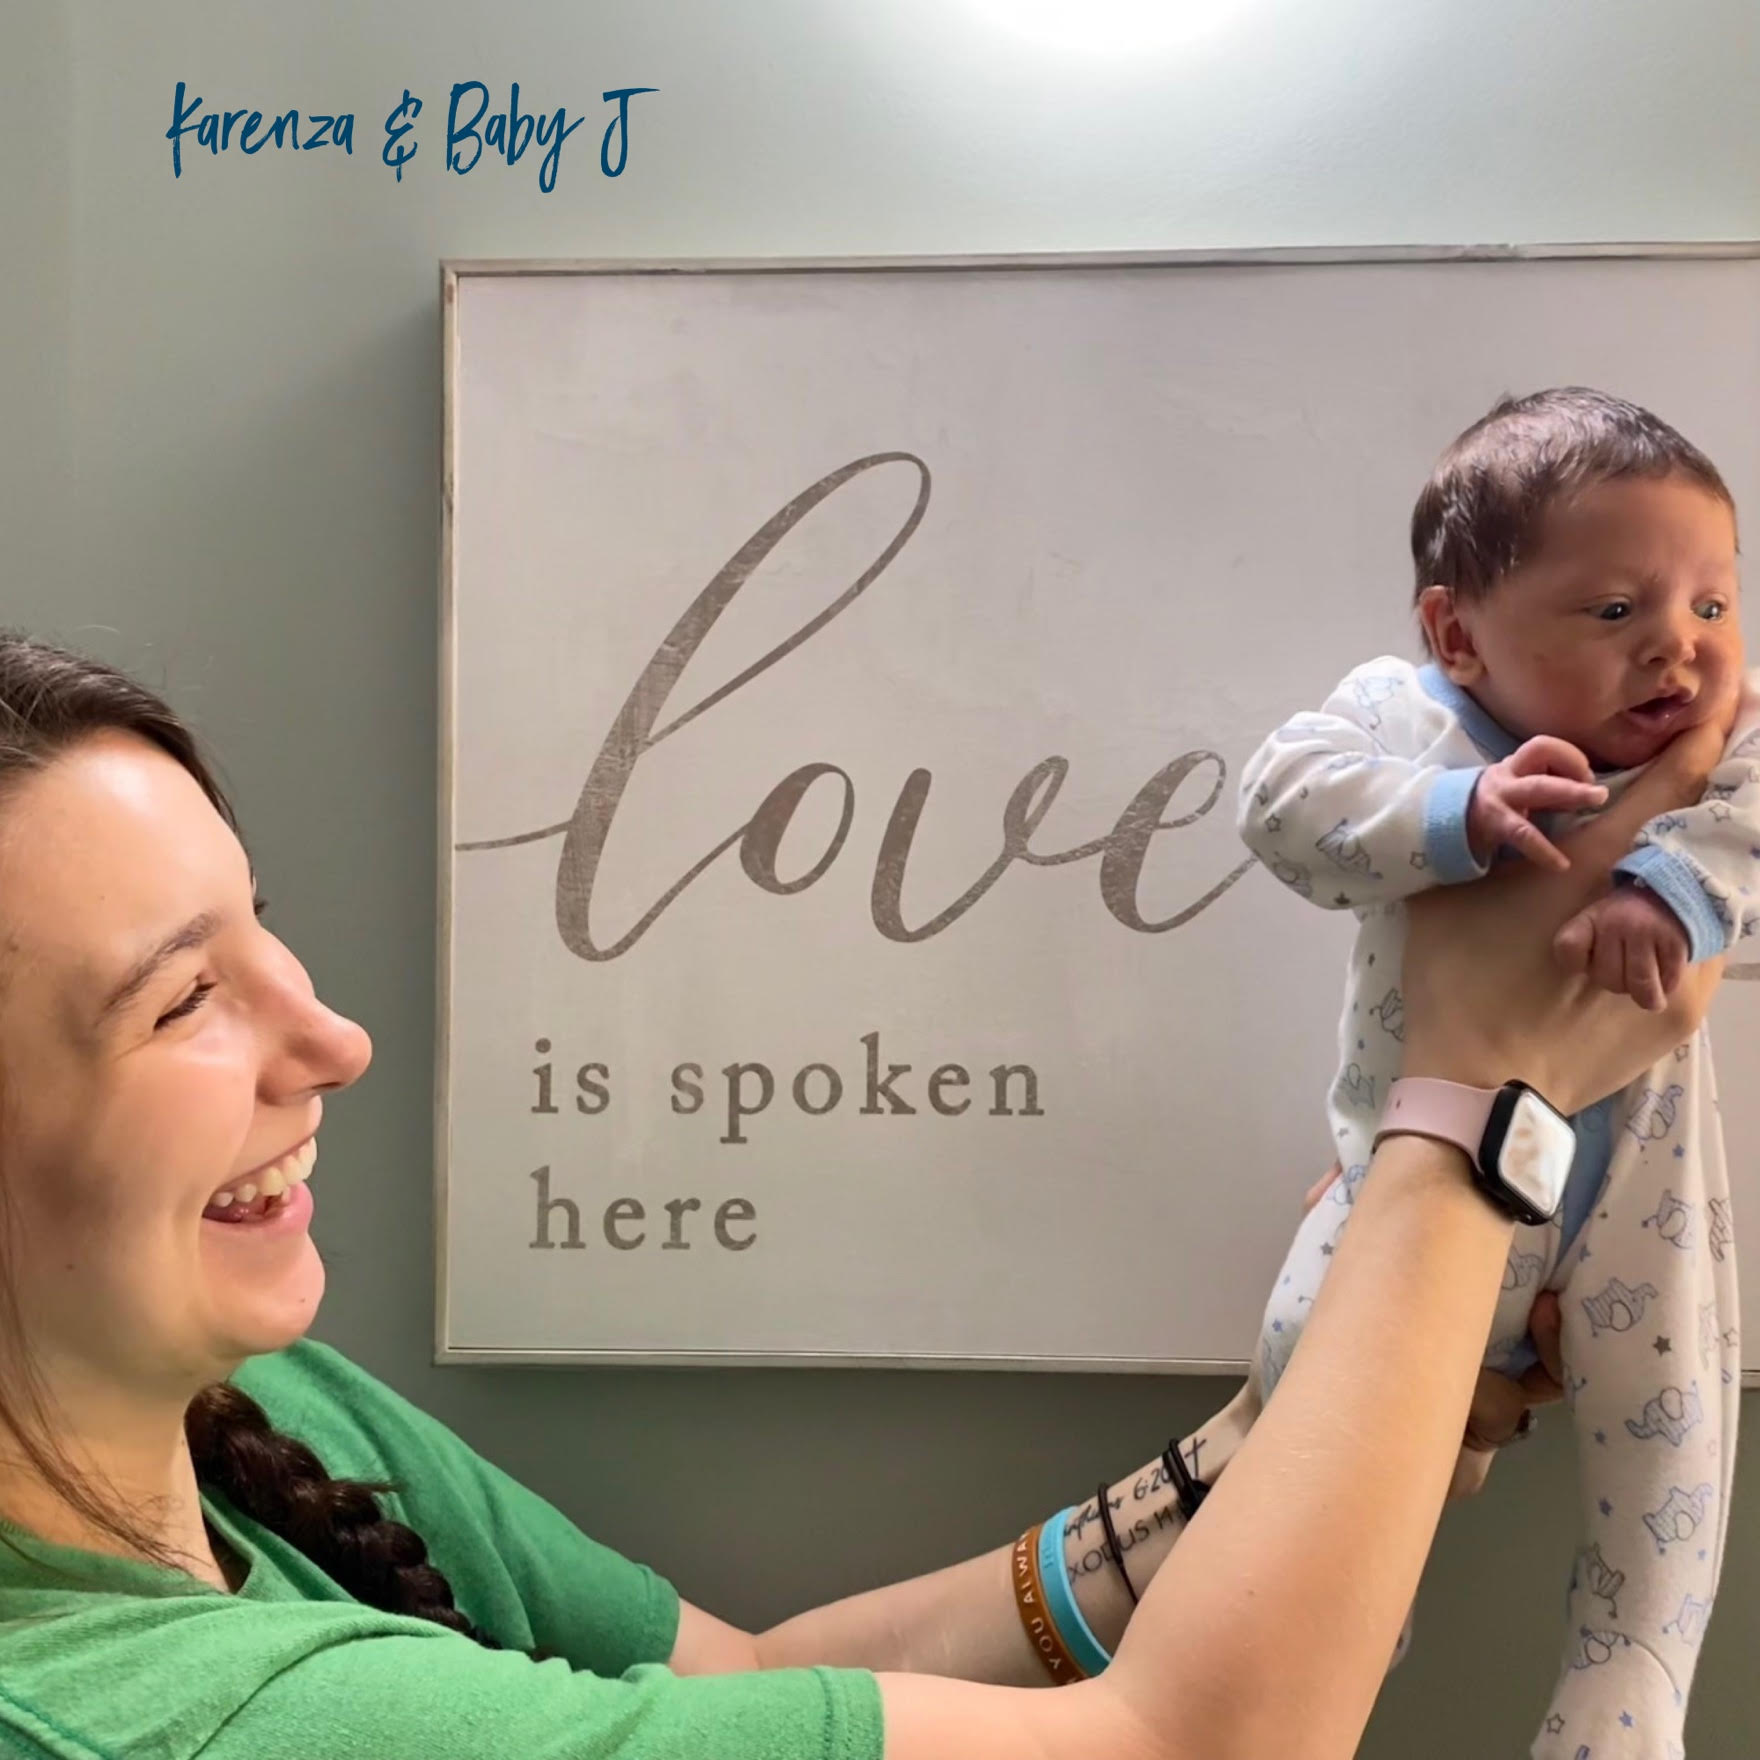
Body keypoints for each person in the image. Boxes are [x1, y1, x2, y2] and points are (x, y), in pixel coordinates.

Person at [0, 632, 1726, 1760]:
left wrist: (1268, 1454)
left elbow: (745, 1683)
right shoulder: (178, 1721)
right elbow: (1199, 1746)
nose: (335, 1036)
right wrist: (1480, 1105)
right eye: (179, 1001)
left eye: (261, 926)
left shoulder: (246, 1403)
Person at [1236, 387, 1755, 1757]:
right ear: (1456, 633)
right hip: (1405, 1187)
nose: (1683, 653)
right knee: (1303, 1368)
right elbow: (1279, 804)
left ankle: (1628, 1698)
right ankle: (1329, 1636)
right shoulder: (1404, 721)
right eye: (1617, 612)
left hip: (1642, 1214)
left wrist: (1677, 879)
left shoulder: (1724, 751)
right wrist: (1451, 813)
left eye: (1712, 605)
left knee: (1677, 1443)